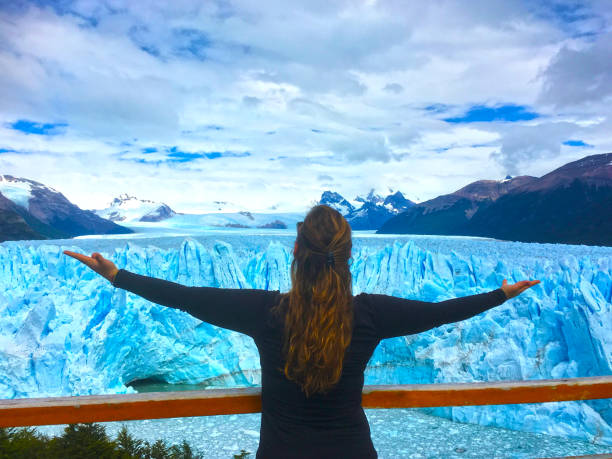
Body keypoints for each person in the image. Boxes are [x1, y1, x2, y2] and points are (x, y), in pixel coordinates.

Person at [63, 204, 540, 458]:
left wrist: (118, 276)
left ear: (296, 255)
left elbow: (186, 296)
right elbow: (438, 313)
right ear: (348, 256)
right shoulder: (370, 314)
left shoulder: (265, 312)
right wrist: (499, 295)